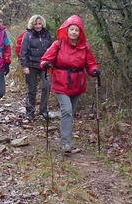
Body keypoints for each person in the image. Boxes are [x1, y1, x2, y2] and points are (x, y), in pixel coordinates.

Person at [40, 15, 99, 153]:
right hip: (61, 82)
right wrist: (45, 64)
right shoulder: (58, 44)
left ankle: (66, 139)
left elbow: (90, 64)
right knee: (66, 110)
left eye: (76, 30)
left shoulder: (85, 47)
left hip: (77, 83)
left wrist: (94, 71)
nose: (73, 32)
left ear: (80, 33)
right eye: (71, 29)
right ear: (66, 31)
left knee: (70, 112)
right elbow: (45, 59)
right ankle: (66, 143)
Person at [18, 14, 53, 122]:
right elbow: (22, 52)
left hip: (44, 65)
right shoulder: (27, 35)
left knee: (47, 85)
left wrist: (51, 63)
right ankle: (30, 112)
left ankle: (43, 110)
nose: (38, 26)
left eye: (39, 24)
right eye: (36, 24)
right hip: (31, 65)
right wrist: (25, 66)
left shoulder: (47, 34)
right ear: (32, 25)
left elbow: (52, 49)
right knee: (32, 90)